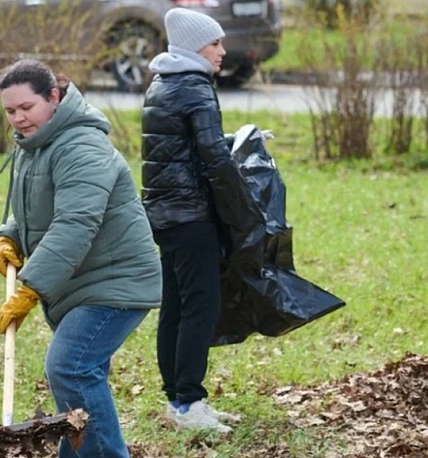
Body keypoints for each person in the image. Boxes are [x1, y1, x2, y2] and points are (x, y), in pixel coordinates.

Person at [0, 59, 162, 458]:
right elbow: (34, 207)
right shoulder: (35, 146)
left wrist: (31, 286)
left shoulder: (82, 145)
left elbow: (76, 222)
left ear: (54, 97)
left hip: (117, 280)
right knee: (79, 378)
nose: (18, 119)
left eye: (26, 108)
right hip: (81, 280)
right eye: (10, 111)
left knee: (70, 367)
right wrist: (9, 236)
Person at [141, 7, 246, 433]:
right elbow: (213, 157)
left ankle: (177, 400)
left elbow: (179, 148)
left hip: (164, 215)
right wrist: (243, 207)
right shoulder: (196, 86)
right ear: (193, 46)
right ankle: (189, 402)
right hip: (191, 214)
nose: (222, 51)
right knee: (201, 305)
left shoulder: (162, 83)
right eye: (215, 43)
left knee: (176, 306)